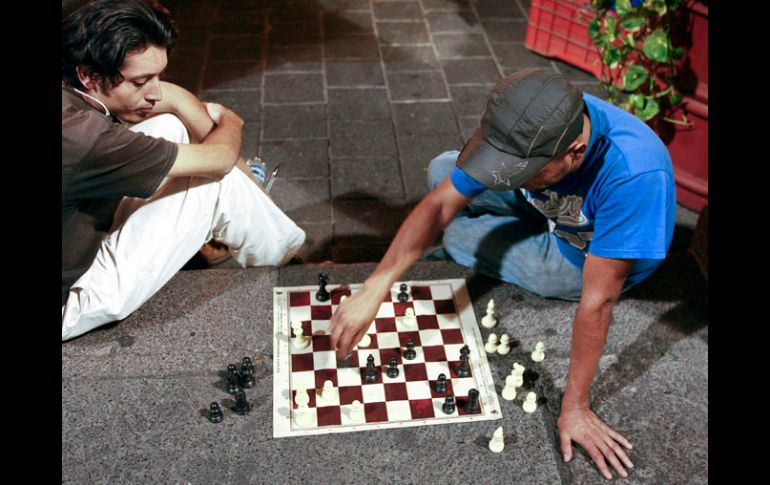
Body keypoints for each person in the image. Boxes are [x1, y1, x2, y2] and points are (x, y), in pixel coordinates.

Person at [330, 69, 676, 479]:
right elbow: (440, 204)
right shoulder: (547, 113)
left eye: (523, 170)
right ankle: (519, 220)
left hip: (585, 251)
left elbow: (598, 300)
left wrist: (576, 408)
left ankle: (506, 237)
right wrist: (374, 288)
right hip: (555, 205)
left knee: (457, 236)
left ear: (575, 153)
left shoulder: (635, 176)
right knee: (443, 174)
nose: (510, 180)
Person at [62, 0, 306, 341]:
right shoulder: (83, 137)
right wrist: (233, 122)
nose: (155, 92)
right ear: (88, 75)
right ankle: (296, 275)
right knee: (212, 184)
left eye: (157, 76)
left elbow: (173, 99)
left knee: (167, 126)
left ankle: (227, 225)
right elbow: (220, 160)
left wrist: (168, 98)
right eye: (140, 81)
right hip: (72, 299)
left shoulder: (72, 91)